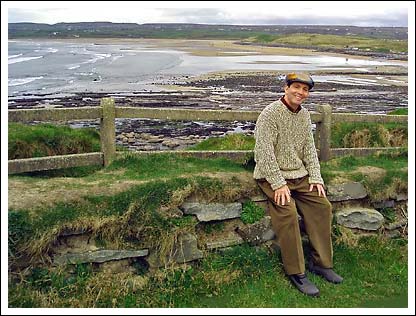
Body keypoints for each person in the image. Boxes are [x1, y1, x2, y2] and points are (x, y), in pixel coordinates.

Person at [253, 72, 343, 297]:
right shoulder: (270, 114)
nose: (300, 93)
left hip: (300, 176)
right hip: (271, 176)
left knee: (322, 206)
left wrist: (316, 177)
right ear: (286, 88)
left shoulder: (304, 116)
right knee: (288, 213)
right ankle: (296, 272)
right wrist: (278, 183)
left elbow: (309, 150)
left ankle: (321, 263)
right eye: (296, 87)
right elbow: (264, 153)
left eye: (305, 90)